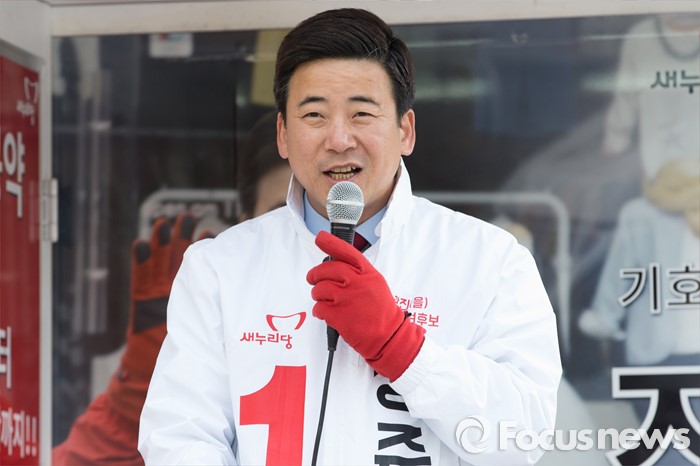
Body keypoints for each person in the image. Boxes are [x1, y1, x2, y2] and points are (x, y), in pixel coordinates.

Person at [139, 8, 561, 465]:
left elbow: (521, 438)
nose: (339, 139)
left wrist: (402, 348)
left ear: (405, 131)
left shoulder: (491, 261)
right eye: (314, 115)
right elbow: (179, 436)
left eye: (361, 113)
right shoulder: (219, 267)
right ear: (283, 135)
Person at [52, 111, 290, 465]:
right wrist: (137, 395)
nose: (308, 236)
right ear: (246, 226)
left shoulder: (380, 327)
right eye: (283, 216)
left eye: (327, 213)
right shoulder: (207, 325)